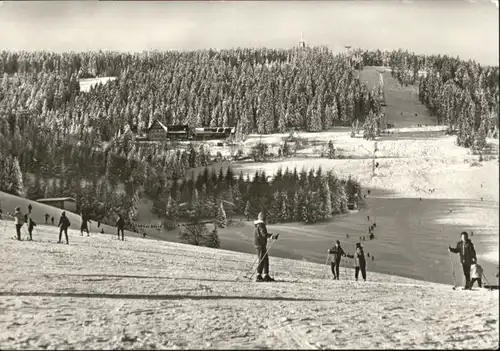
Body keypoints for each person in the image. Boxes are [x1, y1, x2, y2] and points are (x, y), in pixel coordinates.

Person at [254, 212, 279, 282]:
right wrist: (272, 236)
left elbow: (263, 234)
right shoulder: (261, 224)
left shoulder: (259, 224)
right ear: (263, 218)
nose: (266, 220)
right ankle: (258, 275)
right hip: (260, 244)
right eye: (265, 218)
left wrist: (270, 236)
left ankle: (266, 275)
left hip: (260, 244)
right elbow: (263, 234)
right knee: (262, 259)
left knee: (265, 259)